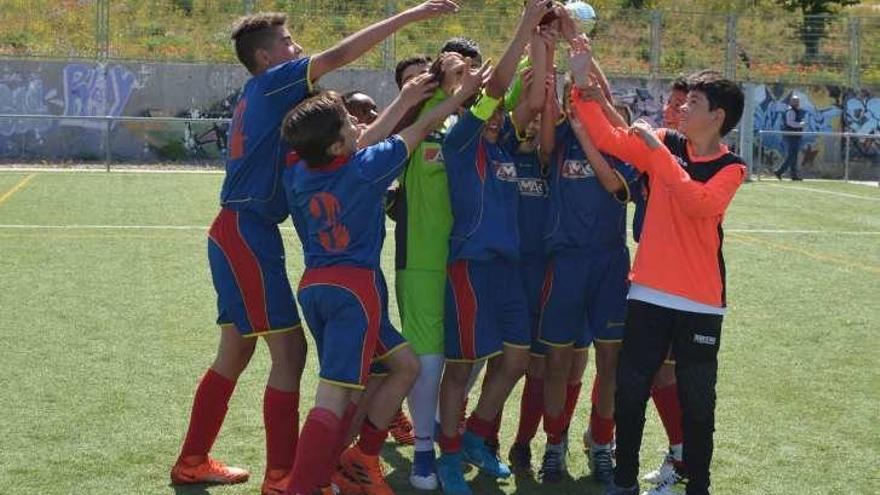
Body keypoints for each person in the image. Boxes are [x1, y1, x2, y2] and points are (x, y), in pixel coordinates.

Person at [169, 4, 461, 495]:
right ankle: (284, 476)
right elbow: (342, 54)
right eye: (287, 42)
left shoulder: (278, 111)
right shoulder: (272, 83)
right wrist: (409, 17)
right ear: (265, 58)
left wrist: (407, 98)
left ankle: (194, 460)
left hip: (239, 231)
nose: (297, 48)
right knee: (291, 352)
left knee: (236, 353)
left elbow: (359, 144)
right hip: (247, 232)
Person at [280, 61, 486, 495]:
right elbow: (424, 126)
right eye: (347, 122)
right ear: (338, 145)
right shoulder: (365, 168)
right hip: (352, 295)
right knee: (334, 398)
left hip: (316, 285)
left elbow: (361, 142)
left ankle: (357, 459)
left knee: (403, 366)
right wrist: (458, 96)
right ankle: (305, 486)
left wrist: (407, 96)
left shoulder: (298, 170)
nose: (358, 123)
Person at [573, 54, 746, 495]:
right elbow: (609, 138)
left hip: (700, 302)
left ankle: (697, 486)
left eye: (693, 103)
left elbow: (699, 203)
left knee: (698, 404)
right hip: (649, 293)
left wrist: (657, 151)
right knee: (630, 393)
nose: (681, 108)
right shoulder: (666, 143)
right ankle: (625, 482)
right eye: (682, 102)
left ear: (717, 116)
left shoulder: (732, 167)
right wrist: (579, 84)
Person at [435, 3, 553, 494]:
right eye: (457, 76)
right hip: (470, 267)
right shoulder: (459, 137)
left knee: (518, 357)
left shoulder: (502, 140)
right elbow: (497, 89)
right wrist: (526, 21)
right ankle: (449, 456)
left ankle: (479, 436)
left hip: (507, 270)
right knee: (461, 367)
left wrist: (545, 39)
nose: (473, 82)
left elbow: (532, 99)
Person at [534, 42, 639, 485]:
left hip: (610, 264)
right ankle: (554, 444)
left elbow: (615, 186)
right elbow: (544, 122)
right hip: (566, 264)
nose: (584, 98)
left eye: (591, 93)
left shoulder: (621, 146)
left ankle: (601, 443)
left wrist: (586, 62)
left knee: (611, 363)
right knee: (558, 364)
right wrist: (551, 48)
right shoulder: (556, 141)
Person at [389, 45, 484, 491]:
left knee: (472, 351)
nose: (454, 72)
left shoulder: (474, 118)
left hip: (471, 256)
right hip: (423, 260)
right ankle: (423, 449)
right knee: (428, 360)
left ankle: (450, 429)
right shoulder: (411, 120)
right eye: (445, 67)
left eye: (464, 67)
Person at [629, 76, 690, 489]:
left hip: (677, 284)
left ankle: (684, 457)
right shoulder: (662, 152)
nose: (673, 111)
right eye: (671, 103)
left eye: (684, 105)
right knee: (655, 373)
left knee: (665, 375)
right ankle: (680, 454)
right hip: (651, 277)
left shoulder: (692, 160)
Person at [774, 94, 805, 181]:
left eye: (798, 101)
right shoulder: (791, 111)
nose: (797, 103)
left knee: (794, 156)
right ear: (791, 102)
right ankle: (779, 171)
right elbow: (790, 123)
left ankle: (793, 175)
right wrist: (801, 124)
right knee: (791, 156)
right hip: (791, 136)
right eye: (795, 101)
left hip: (794, 135)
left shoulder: (795, 111)